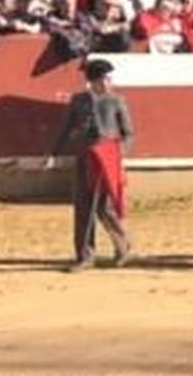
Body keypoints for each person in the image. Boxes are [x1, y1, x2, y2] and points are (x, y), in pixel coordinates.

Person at [45, 59, 133, 272]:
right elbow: (65, 129)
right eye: (104, 78)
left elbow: (128, 133)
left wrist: (120, 155)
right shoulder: (78, 101)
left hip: (107, 157)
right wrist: (53, 153)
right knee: (83, 206)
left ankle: (123, 246)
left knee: (104, 207)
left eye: (108, 78)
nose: (108, 82)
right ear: (93, 81)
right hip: (85, 157)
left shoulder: (117, 100)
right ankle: (85, 256)